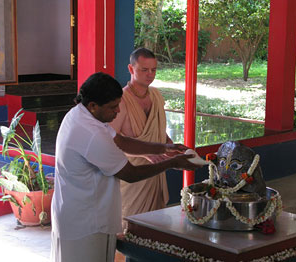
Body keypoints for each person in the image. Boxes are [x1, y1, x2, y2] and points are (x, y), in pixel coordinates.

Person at [50, 72, 202, 262]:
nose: (118, 112)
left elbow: (121, 142)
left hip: (78, 213)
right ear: (93, 105)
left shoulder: (81, 114)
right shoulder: (91, 134)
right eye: (113, 107)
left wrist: (164, 147)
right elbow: (130, 173)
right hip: (86, 223)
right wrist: (172, 163)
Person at [109, 48, 173, 229]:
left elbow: (159, 131)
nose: (150, 74)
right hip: (132, 176)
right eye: (144, 70)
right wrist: (146, 154)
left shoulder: (157, 96)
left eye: (153, 70)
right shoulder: (121, 100)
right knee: (129, 226)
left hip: (155, 173)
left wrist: (170, 145)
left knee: (154, 228)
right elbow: (112, 140)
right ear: (131, 69)